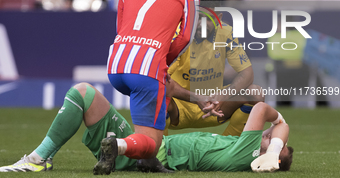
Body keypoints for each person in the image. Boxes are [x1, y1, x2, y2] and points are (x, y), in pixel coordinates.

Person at [0, 83, 293, 173]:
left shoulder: (247, 152)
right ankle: (119, 147)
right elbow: (256, 96)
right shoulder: (239, 149)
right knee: (84, 94)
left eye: (268, 138)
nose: (266, 133)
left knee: (83, 93)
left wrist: (277, 136)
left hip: (151, 148)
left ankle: (40, 159)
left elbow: (262, 109)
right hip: (154, 144)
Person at [101, 0, 199, 175]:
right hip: (147, 68)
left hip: (117, 63)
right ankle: (119, 145)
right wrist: (165, 60)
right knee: (150, 143)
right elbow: (185, 36)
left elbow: (120, 24)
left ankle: (148, 162)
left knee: (157, 106)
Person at [165, 0, 262, 137]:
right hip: (179, 107)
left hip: (216, 107)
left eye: (208, 19)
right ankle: (160, 152)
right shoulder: (177, 34)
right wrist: (197, 98)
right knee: (154, 94)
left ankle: (228, 149)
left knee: (255, 93)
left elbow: (247, 73)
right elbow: (162, 80)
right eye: (197, 17)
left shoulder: (226, 33)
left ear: (218, 18)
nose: (201, 24)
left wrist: (223, 95)